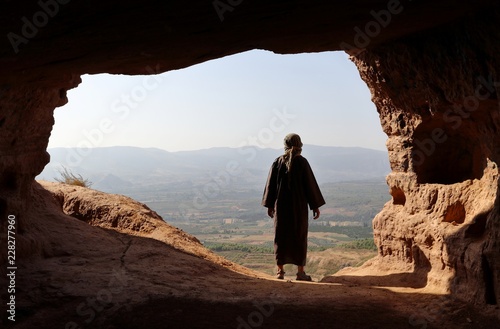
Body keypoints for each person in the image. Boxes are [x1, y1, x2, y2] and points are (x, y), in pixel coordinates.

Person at [262, 133, 325, 281]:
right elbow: (310, 186)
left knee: (281, 236)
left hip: (282, 206)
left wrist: (270, 205)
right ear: (299, 144)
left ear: (286, 144)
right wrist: (315, 206)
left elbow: (270, 186)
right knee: (299, 236)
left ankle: (280, 272)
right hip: (298, 207)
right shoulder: (302, 162)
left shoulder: (277, 162)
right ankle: (300, 273)